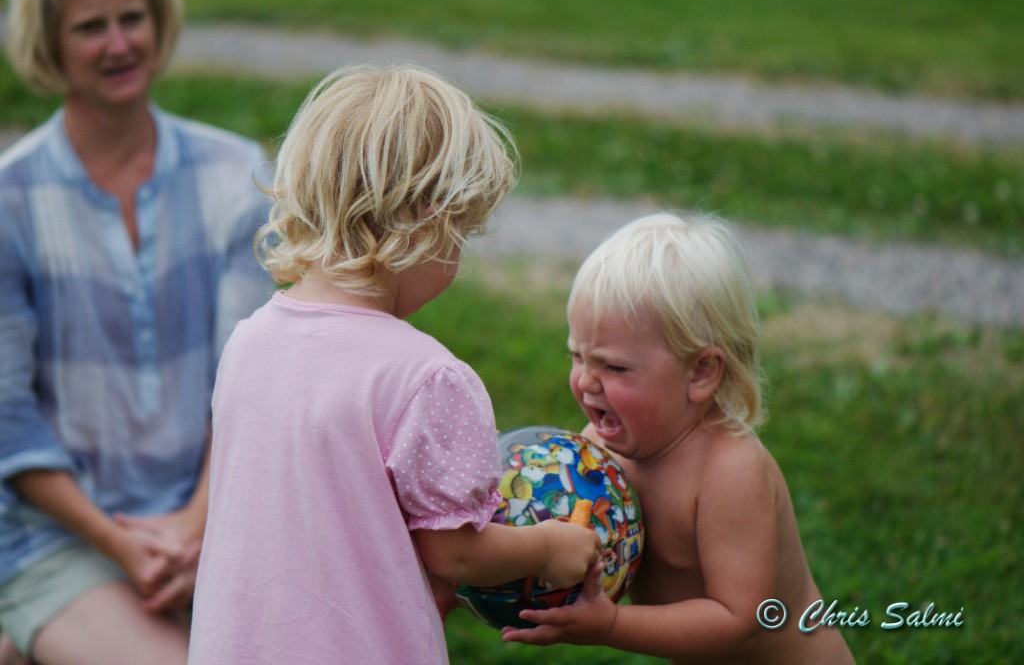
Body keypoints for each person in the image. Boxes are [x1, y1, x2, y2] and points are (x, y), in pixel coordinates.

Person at [186, 63, 601, 665]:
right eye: (462, 231)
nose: (458, 254)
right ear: (427, 220)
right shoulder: (427, 378)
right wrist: (548, 547)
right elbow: (455, 556)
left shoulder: (249, 341)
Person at [0, 0, 272, 662]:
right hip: (57, 535)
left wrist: (194, 527)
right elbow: (7, 419)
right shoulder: (10, 200)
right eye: (92, 27)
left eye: (133, 18)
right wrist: (121, 543)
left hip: (221, 514)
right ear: (50, 43)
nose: (120, 44)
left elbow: (251, 381)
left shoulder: (237, 176)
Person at [502, 214, 856, 664]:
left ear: (701, 372)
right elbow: (543, 527)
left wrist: (610, 625)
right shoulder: (596, 456)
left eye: (614, 367)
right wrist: (484, 572)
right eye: (577, 356)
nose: (586, 382)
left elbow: (739, 621)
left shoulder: (728, 469)